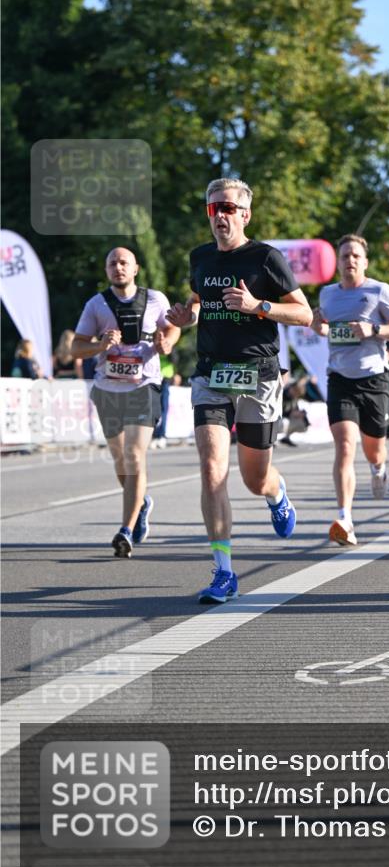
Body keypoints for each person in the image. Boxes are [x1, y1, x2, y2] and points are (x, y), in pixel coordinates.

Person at [166, 177, 312, 604]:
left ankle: (277, 493)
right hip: (211, 374)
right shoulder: (200, 258)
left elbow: (304, 314)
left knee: (254, 478)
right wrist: (184, 316)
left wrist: (257, 307)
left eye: (228, 208)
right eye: (213, 209)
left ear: (245, 214)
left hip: (259, 376)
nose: (220, 216)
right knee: (213, 470)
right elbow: (196, 304)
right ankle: (224, 571)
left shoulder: (266, 258)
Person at [72, 247, 180, 557]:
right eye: (112, 263)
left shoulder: (156, 299)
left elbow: (171, 330)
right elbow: (76, 349)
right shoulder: (96, 305)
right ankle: (142, 501)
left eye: (123, 263)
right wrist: (99, 345)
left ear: (135, 269)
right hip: (107, 390)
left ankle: (126, 529)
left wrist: (166, 343)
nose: (118, 267)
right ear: (106, 271)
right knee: (120, 460)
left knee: (134, 455)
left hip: (143, 387)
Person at [311, 234, 389, 546]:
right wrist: (317, 325)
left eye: (355, 256)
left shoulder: (379, 290)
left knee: (374, 450)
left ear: (364, 262)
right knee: (344, 446)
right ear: (337, 263)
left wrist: (375, 329)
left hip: (374, 379)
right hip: (340, 379)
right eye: (344, 256)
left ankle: (379, 469)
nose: (350, 261)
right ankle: (345, 518)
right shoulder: (327, 295)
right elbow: (325, 327)